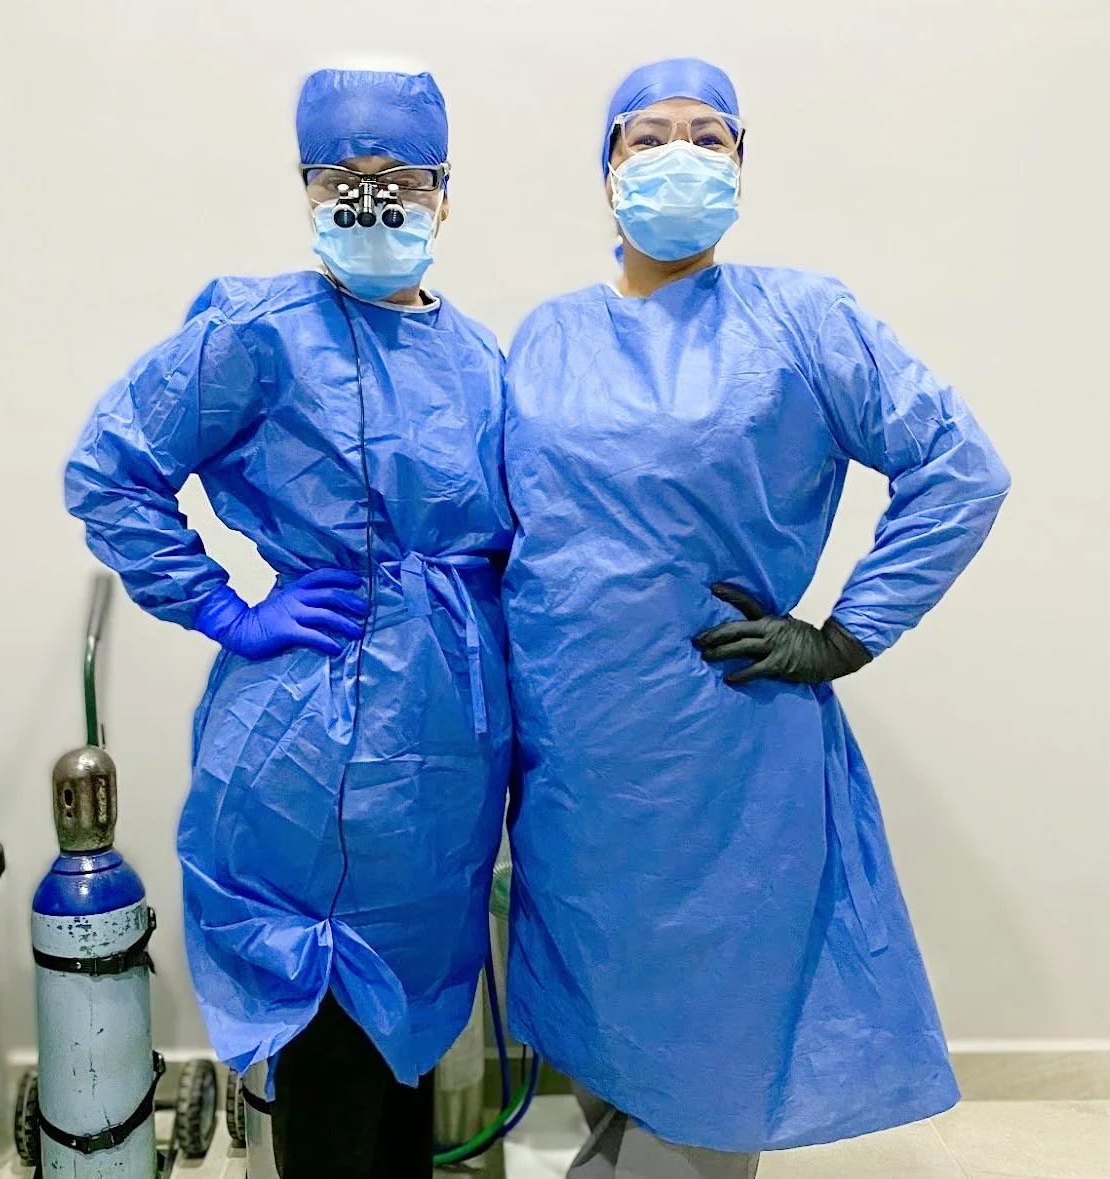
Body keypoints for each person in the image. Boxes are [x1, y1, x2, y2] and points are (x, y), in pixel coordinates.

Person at [502, 57, 1011, 1178]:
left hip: (720, 762)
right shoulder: (544, 338)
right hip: (574, 766)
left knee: (712, 1062)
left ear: (742, 167)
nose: (680, 155)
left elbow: (961, 469)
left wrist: (844, 632)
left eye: (711, 137)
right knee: (605, 1024)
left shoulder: (802, 319)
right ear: (606, 169)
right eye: (648, 137)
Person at [64, 67, 513, 1178]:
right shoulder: (259, 333)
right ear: (307, 188)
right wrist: (223, 607)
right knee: (328, 1047)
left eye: (400, 175)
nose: (374, 197)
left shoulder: (481, 359)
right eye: (343, 177)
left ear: (446, 192)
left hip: (448, 760)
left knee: (409, 1043)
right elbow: (109, 470)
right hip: (308, 751)